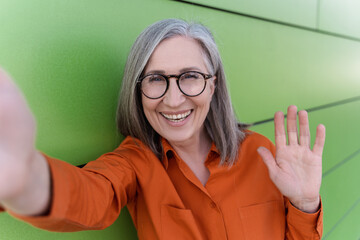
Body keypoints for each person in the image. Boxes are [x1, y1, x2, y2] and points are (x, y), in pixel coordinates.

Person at [0, 19, 325, 239]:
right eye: (156, 79)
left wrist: (305, 204)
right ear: (137, 89)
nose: (173, 99)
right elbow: (89, 194)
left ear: (213, 86)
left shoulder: (262, 154)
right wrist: (25, 178)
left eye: (190, 77)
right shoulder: (134, 163)